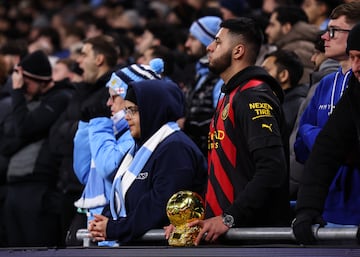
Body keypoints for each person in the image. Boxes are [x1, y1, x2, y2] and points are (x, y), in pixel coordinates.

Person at [169, 17, 291, 246]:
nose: (209, 47)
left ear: (238, 51)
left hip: (254, 239)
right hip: (231, 236)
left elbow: (272, 169)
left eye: (217, 41)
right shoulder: (229, 96)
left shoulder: (253, 96)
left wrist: (229, 218)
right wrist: (196, 220)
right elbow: (225, 175)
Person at [87, 79, 207, 244]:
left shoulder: (175, 148)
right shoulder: (140, 148)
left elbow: (158, 206)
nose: (126, 117)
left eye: (132, 110)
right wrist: (103, 221)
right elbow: (122, 192)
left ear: (153, 110)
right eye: (126, 110)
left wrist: (115, 228)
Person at [72, 63, 162, 246]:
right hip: (97, 228)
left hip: (116, 234)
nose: (108, 103)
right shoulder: (113, 130)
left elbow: (108, 167)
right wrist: (84, 126)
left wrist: (98, 125)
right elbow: (83, 172)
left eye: (114, 97)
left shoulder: (138, 135)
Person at [292, 22, 360, 245]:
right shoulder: (355, 92)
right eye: (353, 57)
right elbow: (326, 151)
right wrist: (307, 208)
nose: (356, 67)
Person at [49, 35, 118, 245]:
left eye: (84, 54)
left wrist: (73, 129)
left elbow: (72, 133)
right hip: (68, 186)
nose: (78, 61)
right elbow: (55, 136)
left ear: (99, 59)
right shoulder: (80, 91)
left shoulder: (111, 92)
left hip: (96, 195)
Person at [3, 50, 75, 247]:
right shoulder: (30, 101)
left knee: (37, 246)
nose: (22, 88)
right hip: (15, 185)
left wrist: (17, 92)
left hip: (40, 187)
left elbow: (25, 127)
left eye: (26, 83)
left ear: (41, 80)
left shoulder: (60, 98)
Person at [288, 32, 339, 199]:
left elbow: (302, 135)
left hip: (317, 186)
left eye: (316, 53)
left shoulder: (322, 84)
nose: (312, 59)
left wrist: (293, 184)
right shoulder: (323, 83)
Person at [182, 16, 224, 157]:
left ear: (208, 42)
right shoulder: (197, 73)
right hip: (192, 154)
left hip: (208, 159)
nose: (187, 44)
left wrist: (187, 124)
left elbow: (221, 123)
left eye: (193, 39)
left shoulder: (220, 79)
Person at [265, 5, 319, 85]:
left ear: (286, 27)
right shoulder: (305, 45)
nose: (267, 31)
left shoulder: (294, 51)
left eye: (272, 25)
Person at [262, 49, 307, 135]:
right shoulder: (274, 101)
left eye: (266, 71)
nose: (260, 75)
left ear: (283, 75)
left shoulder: (297, 106)